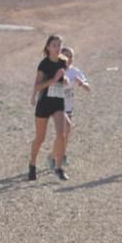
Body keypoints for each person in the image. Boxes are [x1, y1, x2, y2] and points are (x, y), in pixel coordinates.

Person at [28, 34, 69, 181]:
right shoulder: (44, 64)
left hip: (58, 102)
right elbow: (37, 86)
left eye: (59, 45)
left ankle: (59, 168)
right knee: (40, 137)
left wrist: (65, 80)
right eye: (54, 45)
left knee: (61, 134)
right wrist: (53, 80)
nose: (57, 48)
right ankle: (32, 165)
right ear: (48, 47)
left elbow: (64, 77)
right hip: (44, 103)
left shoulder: (63, 62)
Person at [56, 45, 90, 170]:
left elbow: (88, 88)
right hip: (56, 106)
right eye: (66, 55)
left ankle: (61, 154)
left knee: (66, 133)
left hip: (68, 106)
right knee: (64, 130)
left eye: (71, 56)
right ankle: (56, 156)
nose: (69, 58)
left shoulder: (75, 71)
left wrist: (80, 83)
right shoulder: (57, 70)